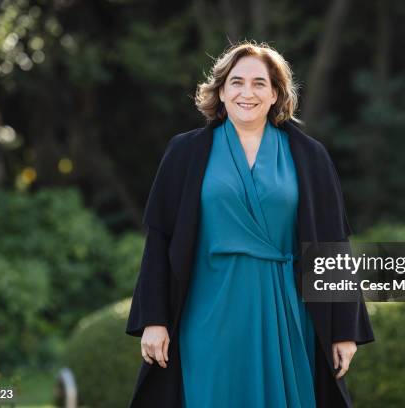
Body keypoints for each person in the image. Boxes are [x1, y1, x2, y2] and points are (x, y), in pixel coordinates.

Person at [126, 40, 375, 408]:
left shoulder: (310, 156)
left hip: (288, 311)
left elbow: (333, 246)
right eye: (237, 82)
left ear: (275, 94)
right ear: (221, 91)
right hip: (207, 311)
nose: (248, 92)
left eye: (260, 83)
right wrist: (154, 320)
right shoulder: (185, 152)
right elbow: (160, 244)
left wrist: (344, 332)